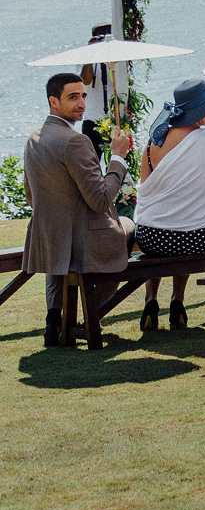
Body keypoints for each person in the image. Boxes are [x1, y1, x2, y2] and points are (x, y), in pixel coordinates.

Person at [22, 73, 134, 347]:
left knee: (60, 243)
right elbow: (100, 200)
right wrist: (118, 158)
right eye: (73, 97)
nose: (82, 103)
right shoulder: (76, 141)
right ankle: (92, 315)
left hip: (49, 236)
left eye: (83, 95)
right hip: (84, 239)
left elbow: (31, 197)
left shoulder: (33, 139)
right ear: (54, 101)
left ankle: (53, 321)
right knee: (129, 227)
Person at [133, 78, 205, 331]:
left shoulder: (153, 142)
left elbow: (145, 190)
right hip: (199, 237)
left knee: (167, 220)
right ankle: (177, 300)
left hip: (152, 238)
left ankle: (151, 299)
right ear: (198, 111)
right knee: (193, 218)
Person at [77, 22, 115, 159]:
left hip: (114, 120)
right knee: (91, 163)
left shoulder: (117, 57)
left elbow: (125, 82)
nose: (105, 36)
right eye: (101, 34)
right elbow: (85, 81)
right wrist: (91, 53)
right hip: (92, 121)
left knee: (117, 162)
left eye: (109, 32)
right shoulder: (85, 59)